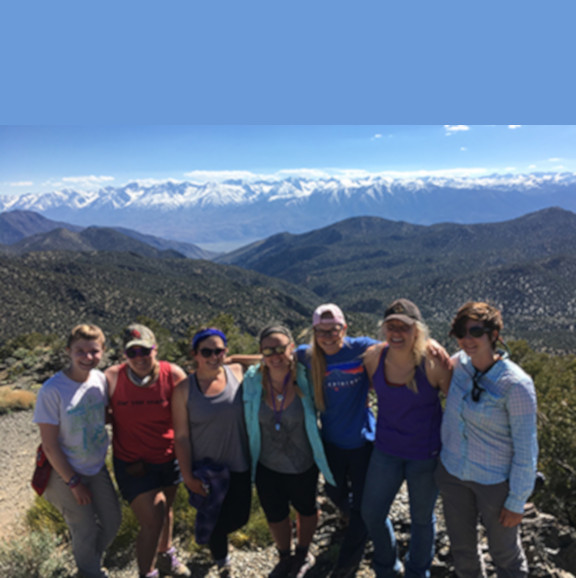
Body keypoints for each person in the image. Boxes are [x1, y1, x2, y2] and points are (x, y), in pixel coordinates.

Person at [435, 302, 538, 578]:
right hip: (453, 473)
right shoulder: (459, 365)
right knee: (462, 550)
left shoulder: (515, 385)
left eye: (475, 331)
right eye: (460, 331)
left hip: (494, 482)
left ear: (493, 335)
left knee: (505, 555)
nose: (467, 339)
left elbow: (526, 449)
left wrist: (517, 502)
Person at [361, 299, 452, 578]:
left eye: (405, 326)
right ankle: (387, 566)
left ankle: (417, 571)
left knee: (422, 519)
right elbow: (334, 342)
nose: (397, 332)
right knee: (372, 513)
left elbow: (458, 409)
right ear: (383, 329)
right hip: (387, 449)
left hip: (425, 455)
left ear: (417, 331)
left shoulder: (433, 363)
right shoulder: (373, 357)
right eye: (391, 326)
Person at [243, 324, 336, 578]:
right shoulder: (252, 380)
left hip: (303, 463)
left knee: (306, 508)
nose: (275, 355)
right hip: (265, 463)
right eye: (267, 350)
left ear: (291, 348)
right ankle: (284, 556)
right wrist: (226, 356)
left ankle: (303, 553)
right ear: (261, 353)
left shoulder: (308, 376)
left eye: (280, 348)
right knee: (275, 514)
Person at [296, 303, 379, 577]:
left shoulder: (361, 348)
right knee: (334, 491)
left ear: (344, 328)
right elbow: (274, 356)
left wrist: (433, 345)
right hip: (331, 442)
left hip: (364, 441)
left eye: (334, 330)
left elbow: (401, 345)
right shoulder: (308, 356)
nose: (328, 336)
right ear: (314, 332)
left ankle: (346, 563)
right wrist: (227, 359)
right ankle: (350, 514)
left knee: (362, 507)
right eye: (322, 331)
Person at [33, 324, 121, 578]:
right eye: (80, 351)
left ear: (103, 351)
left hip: (95, 466)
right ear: (68, 351)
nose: (87, 357)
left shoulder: (100, 380)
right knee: (84, 529)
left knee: (113, 521)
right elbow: (49, 444)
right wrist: (73, 481)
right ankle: (90, 571)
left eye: (94, 351)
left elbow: (104, 414)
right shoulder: (53, 389)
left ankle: (89, 564)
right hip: (64, 472)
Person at [106, 323, 190, 578]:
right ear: (124, 355)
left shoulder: (173, 375)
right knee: (154, 516)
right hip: (133, 462)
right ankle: (147, 572)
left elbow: (188, 416)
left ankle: (166, 556)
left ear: (156, 349)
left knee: (166, 510)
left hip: (167, 458)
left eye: (145, 351)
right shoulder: (112, 377)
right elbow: (97, 412)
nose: (140, 358)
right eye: (132, 353)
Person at [172, 327, 251, 578]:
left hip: (239, 461)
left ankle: (206, 534)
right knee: (215, 516)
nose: (214, 356)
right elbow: (182, 437)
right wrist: (187, 475)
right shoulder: (184, 389)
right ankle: (221, 558)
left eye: (219, 350)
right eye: (207, 351)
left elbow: (272, 358)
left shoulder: (236, 372)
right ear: (195, 354)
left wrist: (233, 357)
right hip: (206, 468)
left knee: (239, 516)